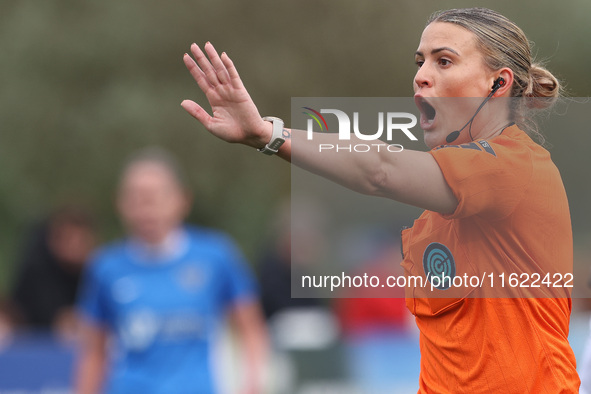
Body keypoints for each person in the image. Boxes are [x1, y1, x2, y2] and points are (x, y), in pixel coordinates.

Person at [180, 7, 579, 393]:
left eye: (444, 61)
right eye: (420, 62)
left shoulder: (513, 165)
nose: (421, 76)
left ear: (499, 83)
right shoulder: (445, 205)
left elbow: (380, 169)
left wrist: (270, 134)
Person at [75, 148, 268, 394]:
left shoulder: (216, 256)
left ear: (182, 199)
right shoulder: (105, 267)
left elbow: (251, 328)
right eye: (136, 197)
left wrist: (253, 384)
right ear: (120, 203)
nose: (146, 208)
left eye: (155, 197)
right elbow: (93, 351)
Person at [10, 205, 96, 337]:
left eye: (81, 240)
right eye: (70, 240)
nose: (76, 247)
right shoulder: (36, 272)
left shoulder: (95, 271)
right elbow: (63, 322)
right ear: (53, 241)